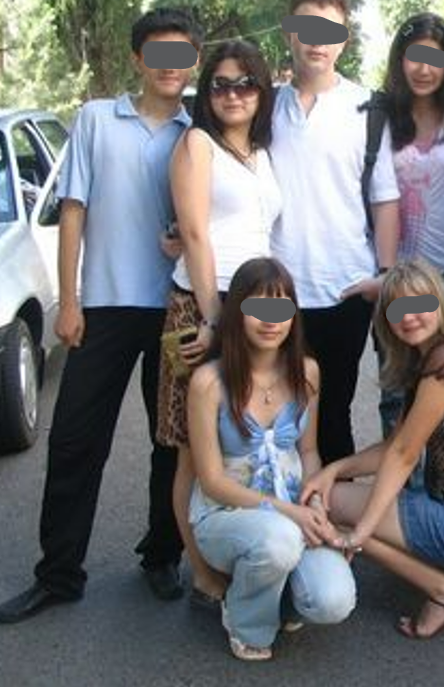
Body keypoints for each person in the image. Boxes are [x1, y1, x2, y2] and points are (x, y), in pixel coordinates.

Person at [0, 8, 204, 624]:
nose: (169, 67)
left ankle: (161, 555)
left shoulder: (198, 133)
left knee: (171, 442)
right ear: (139, 59)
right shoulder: (95, 119)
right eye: (158, 54)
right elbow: (74, 210)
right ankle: (59, 573)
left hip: (175, 308)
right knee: (75, 441)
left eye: (181, 55)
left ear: (193, 61)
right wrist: (70, 300)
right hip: (104, 306)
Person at [302, 260, 444, 639]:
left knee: (334, 510)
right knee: (331, 494)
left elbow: (404, 455)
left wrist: (362, 531)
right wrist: (333, 470)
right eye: (397, 310)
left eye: (420, 304)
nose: (409, 317)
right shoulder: (436, 355)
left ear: (440, 303)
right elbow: (393, 446)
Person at [155, 39, 282, 610]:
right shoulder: (196, 143)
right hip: (204, 306)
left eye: (245, 83)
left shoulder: (261, 152)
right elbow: (194, 233)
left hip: (257, 305)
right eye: (220, 85)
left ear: (261, 91)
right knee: (193, 446)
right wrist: (211, 317)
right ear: (206, 93)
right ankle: (203, 572)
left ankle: (247, 554)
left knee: (245, 439)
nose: (233, 95)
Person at [188, 257, 356, 661]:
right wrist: (289, 513)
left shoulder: (307, 371)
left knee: (332, 600)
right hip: (226, 514)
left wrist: (315, 506)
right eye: (258, 307)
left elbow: (308, 451)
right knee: (277, 541)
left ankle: (280, 598)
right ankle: (246, 621)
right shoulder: (208, 382)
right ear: (237, 312)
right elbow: (211, 481)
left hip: (292, 506)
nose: (270, 320)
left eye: (281, 307)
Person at [270, 0, 399, 465]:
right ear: (289, 33)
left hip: (345, 287)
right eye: (307, 27)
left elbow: (385, 198)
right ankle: (279, 503)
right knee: (276, 409)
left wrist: (383, 275)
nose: (317, 40)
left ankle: (332, 506)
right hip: (276, 289)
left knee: (332, 412)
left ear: (344, 40)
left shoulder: (369, 108)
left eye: (329, 30)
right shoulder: (264, 106)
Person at [377, 12, 444, 439]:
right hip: (398, 278)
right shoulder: (379, 118)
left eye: (435, 59)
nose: (424, 68)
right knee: (397, 394)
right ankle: (400, 479)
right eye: (415, 57)